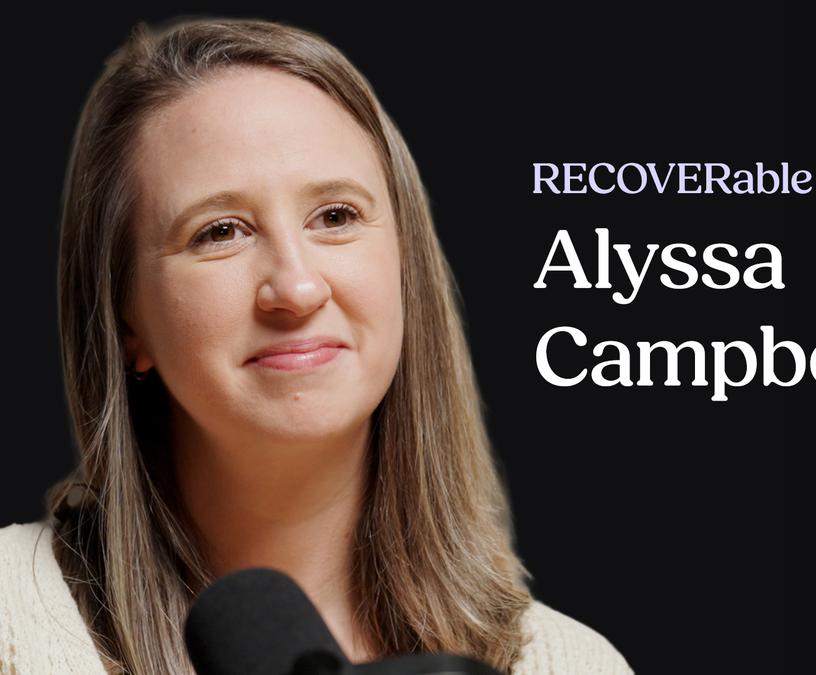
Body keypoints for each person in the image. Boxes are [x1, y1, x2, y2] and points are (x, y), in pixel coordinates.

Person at [0, 16, 632, 675]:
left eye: (335, 216)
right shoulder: (10, 618)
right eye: (219, 231)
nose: (297, 288)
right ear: (127, 321)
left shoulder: (572, 663)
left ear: (403, 265)